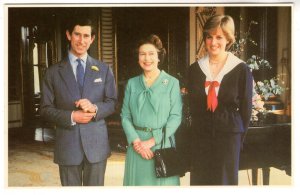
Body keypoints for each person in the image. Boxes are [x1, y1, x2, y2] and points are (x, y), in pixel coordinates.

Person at [40, 17, 117, 186]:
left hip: (97, 147)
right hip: (68, 147)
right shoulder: (53, 72)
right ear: (68, 35)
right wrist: (72, 116)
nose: (81, 41)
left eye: (86, 36)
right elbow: (45, 109)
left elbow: (112, 102)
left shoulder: (104, 69)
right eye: (77, 34)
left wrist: (95, 108)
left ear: (92, 39)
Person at [187, 15, 253, 185]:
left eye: (219, 37)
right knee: (200, 181)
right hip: (200, 137)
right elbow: (192, 107)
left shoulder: (241, 69)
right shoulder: (194, 70)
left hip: (229, 137)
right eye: (209, 36)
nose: (213, 42)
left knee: (224, 183)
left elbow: (246, 111)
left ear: (228, 39)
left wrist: (238, 139)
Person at [120, 34, 183, 186]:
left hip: (161, 146)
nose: (147, 59)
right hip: (136, 146)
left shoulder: (172, 83)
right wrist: (137, 143)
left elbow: (175, 117)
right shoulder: (131, 84)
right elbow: (125, 116)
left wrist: (151, 141)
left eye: (151, 54)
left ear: (159, 56)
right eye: (142, 54)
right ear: (138, 58)